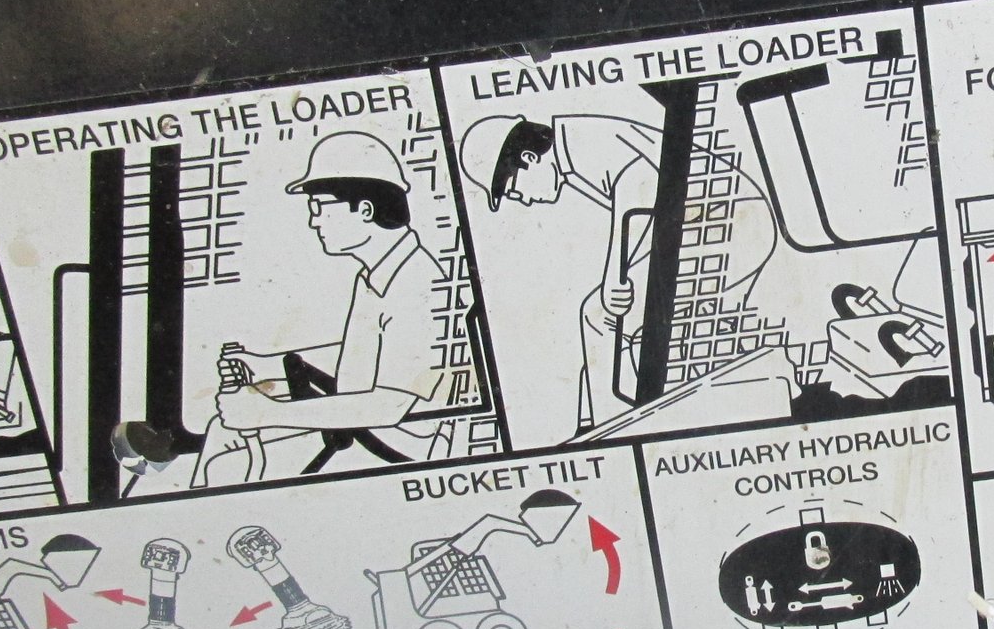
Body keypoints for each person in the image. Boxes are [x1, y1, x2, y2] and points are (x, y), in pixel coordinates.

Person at [458, 112, 772, 434]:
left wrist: (615, 275)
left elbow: (640, 181)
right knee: (615, 320)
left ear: (529, 158)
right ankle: (601, 421)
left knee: (601, 315)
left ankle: (612, 425)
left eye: (514, 189)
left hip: (729, 222)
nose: (524, 200)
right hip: (709, 225)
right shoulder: (572, 148)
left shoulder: (579, 139)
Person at [192, 131, 452, 486]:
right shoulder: (377, 275)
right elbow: (368, 358)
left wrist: (268, 413)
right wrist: (266, 364)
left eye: (319, 207)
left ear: (365, 210)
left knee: (229, 456)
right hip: (358, 423)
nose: (314, 221)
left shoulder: (419, 283)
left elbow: (389, 406)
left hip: (395, 441)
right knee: (222, 430)